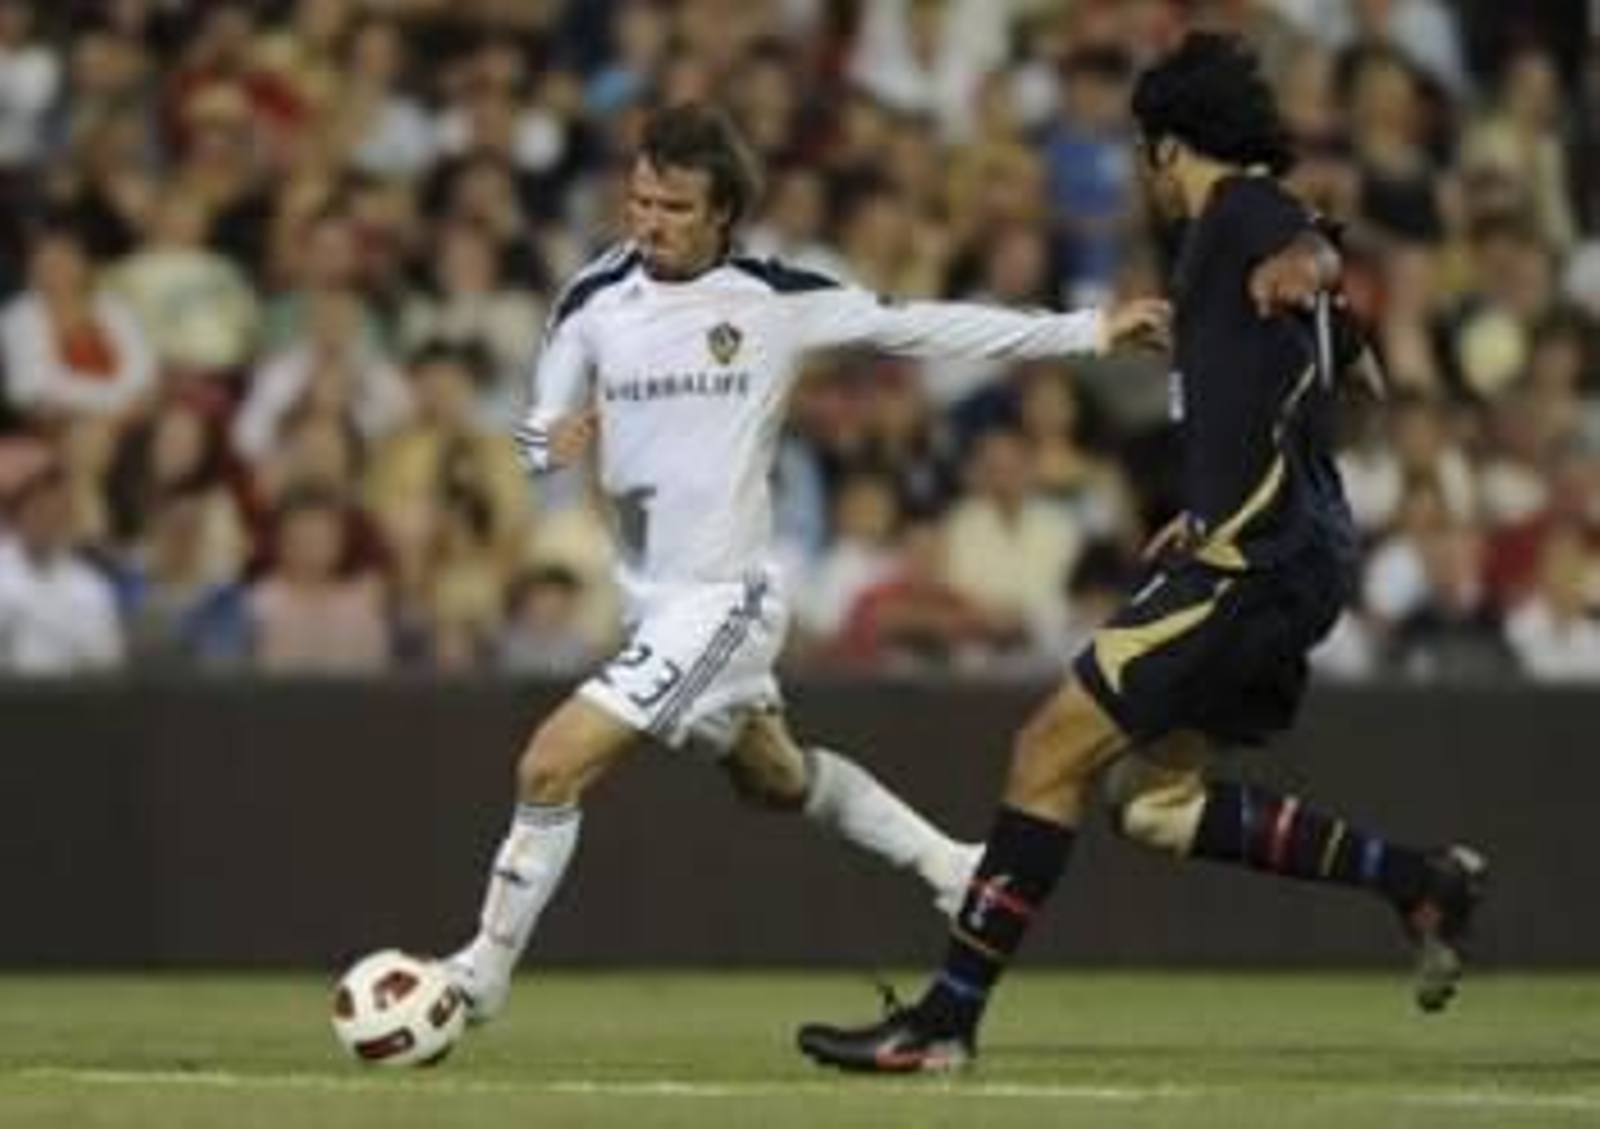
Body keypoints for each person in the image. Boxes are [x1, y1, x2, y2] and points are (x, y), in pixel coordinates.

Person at [796, 33, 1488, 1075]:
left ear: (1165, 147)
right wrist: (1229, 477)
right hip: (1289, 553)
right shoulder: (1239, 242)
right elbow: (1360, 384)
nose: (1142, 176)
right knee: (1153, 806)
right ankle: (1417, 879)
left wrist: (1304, 278)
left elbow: (1308, 252)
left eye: (1141, 154)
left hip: (1251, 562)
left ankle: (943, 1022)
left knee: (1043, 753)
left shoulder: (1238, 214)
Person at [439, 101, 1174, 1028]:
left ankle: (476, 980)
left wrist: (1088, 330)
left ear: (722, 217)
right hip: (649, 602)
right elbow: (533, 434)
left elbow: (921, 326)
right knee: (774, 779)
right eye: (639, 200)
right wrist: (553, 441)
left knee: (549, 766)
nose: (648, 222)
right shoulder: (591, 297)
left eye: (671, 207)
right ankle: (952, 866)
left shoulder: (775, 301)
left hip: (727, 602)